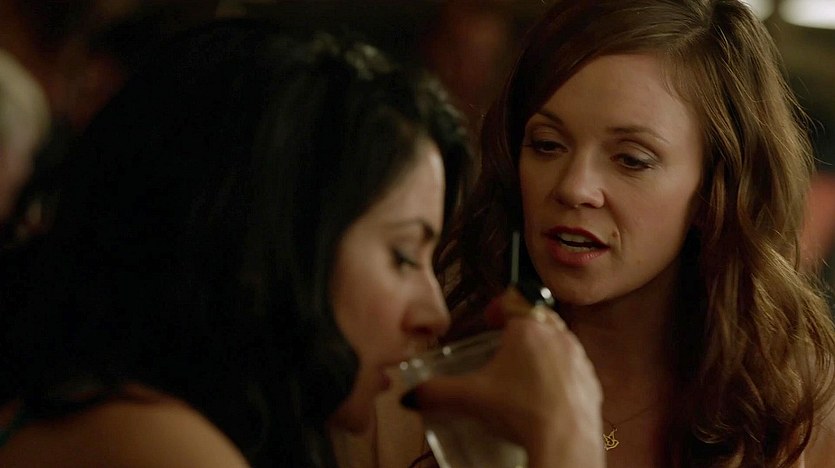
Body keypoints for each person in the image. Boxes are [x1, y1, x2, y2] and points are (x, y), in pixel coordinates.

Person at [0, 20, 604, 467]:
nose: (434, 314)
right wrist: (568, 437)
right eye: (402, 255)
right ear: (264, 239)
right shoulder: (151, 443)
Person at [433, 0, 835, 466]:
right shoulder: (441, 372)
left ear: (715, 188)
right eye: (547, 145)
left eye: (631, 160)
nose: (574, 187)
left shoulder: (800, 408)